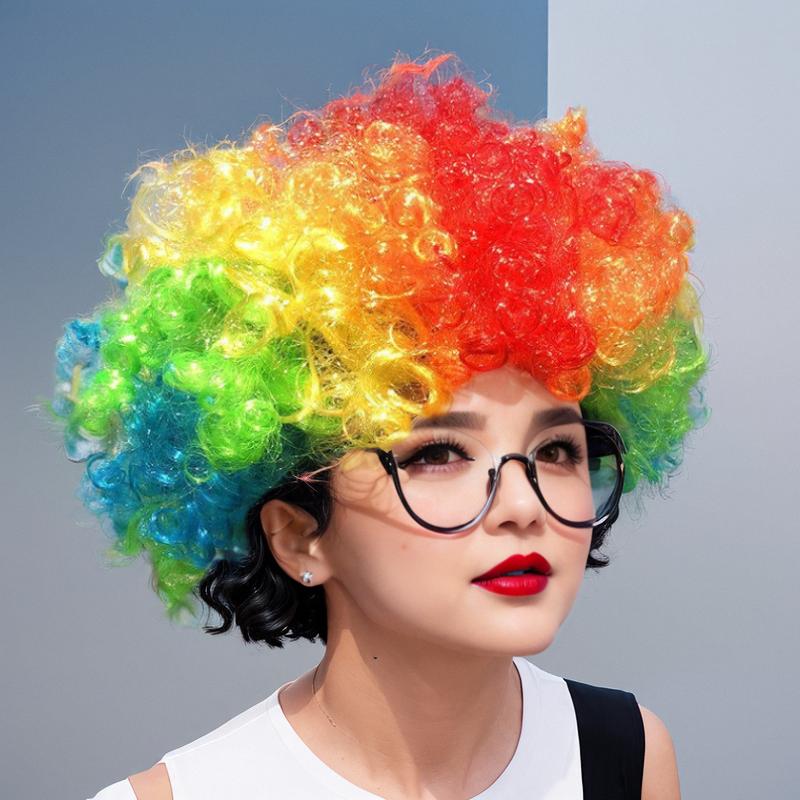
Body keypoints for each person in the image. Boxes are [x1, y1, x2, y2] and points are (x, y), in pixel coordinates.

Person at [47, 52, 708, 799]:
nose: (524, 507)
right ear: (300, 535)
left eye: (557, 449)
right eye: (440, 454)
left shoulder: (625, 758)